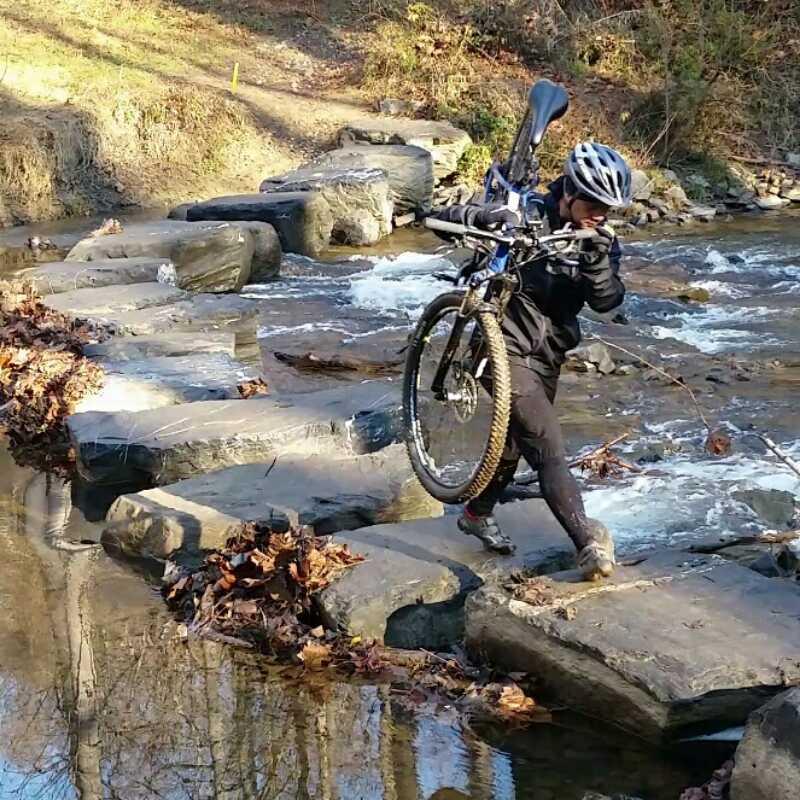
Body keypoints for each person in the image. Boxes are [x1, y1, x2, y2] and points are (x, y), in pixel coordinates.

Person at [429, 141, 632, 581]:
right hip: (500, 343)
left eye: (608, 209)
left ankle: (477, 513)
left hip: (549, 354)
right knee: (548, 445)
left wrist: (597, 263)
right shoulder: (526, 212)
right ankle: (586, 543)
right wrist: (485, 218)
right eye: (594, 205)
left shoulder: (599, 241)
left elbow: (608, 301)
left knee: (517, 442)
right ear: (569, 192)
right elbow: (443, 220)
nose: (601, 215)